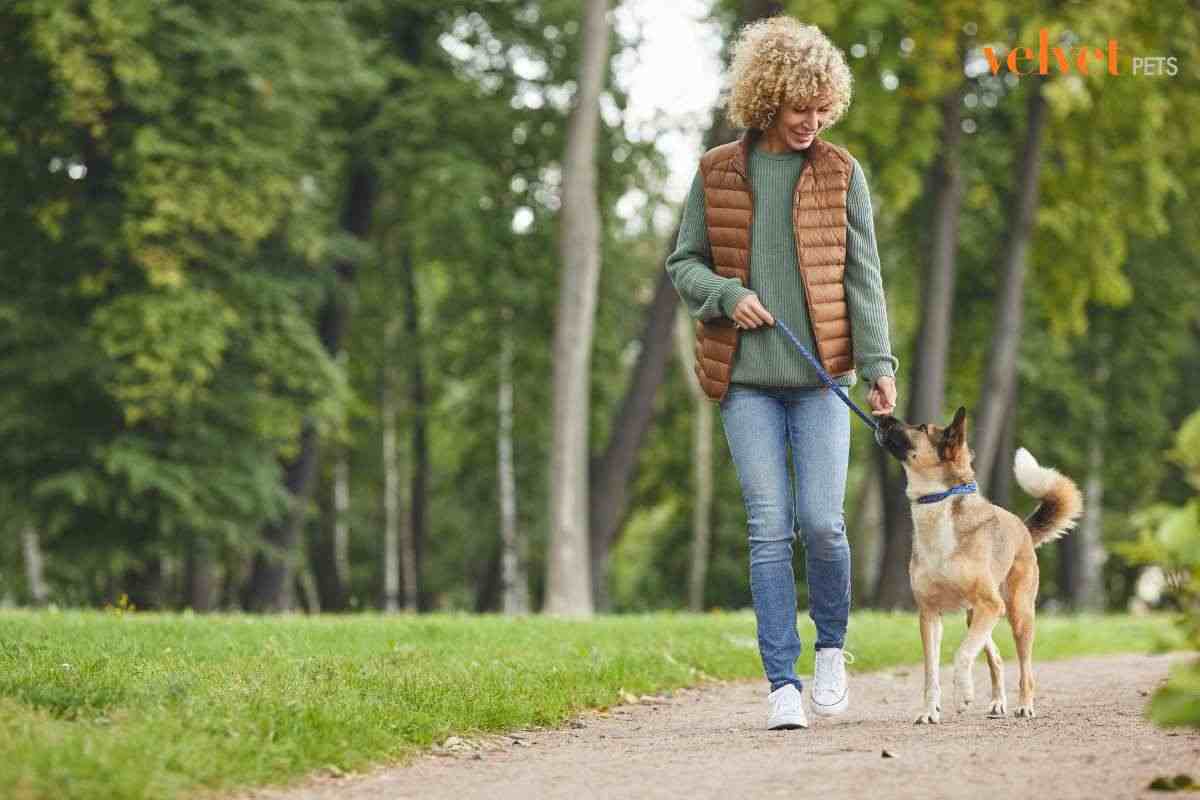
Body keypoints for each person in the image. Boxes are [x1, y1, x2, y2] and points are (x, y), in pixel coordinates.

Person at [665, 16, 899, 731]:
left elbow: (864, 278)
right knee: (769, 528)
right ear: (768, 100)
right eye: (802, 109)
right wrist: (727, 296)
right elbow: (684, 263)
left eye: (824, 109)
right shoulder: (718, 171)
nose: (813, 122)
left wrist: (880, 364)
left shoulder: (841, 173)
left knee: (823, 524)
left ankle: (831, 649)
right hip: (746, 381)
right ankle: (781, 684)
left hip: (823, 378)